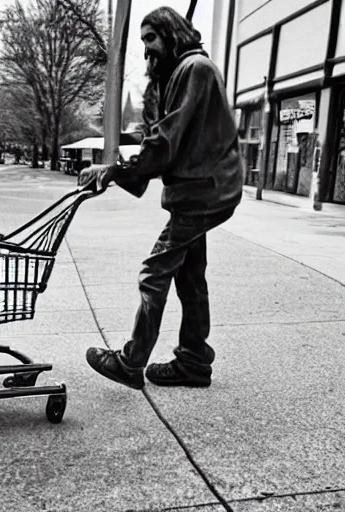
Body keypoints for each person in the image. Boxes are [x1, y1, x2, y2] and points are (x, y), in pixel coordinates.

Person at [79, 6, 244, 390]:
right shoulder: (182, 73)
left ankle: (131, 361)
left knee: (155, 272)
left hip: (203, 191)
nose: (147, 49)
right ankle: (193, 361)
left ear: (171, 33)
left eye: (150, 39)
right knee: (189, 276)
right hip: (201, 189)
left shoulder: (194, 69)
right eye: (143, 43)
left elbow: (166, 140)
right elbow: (163, 135)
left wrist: (115, 171)